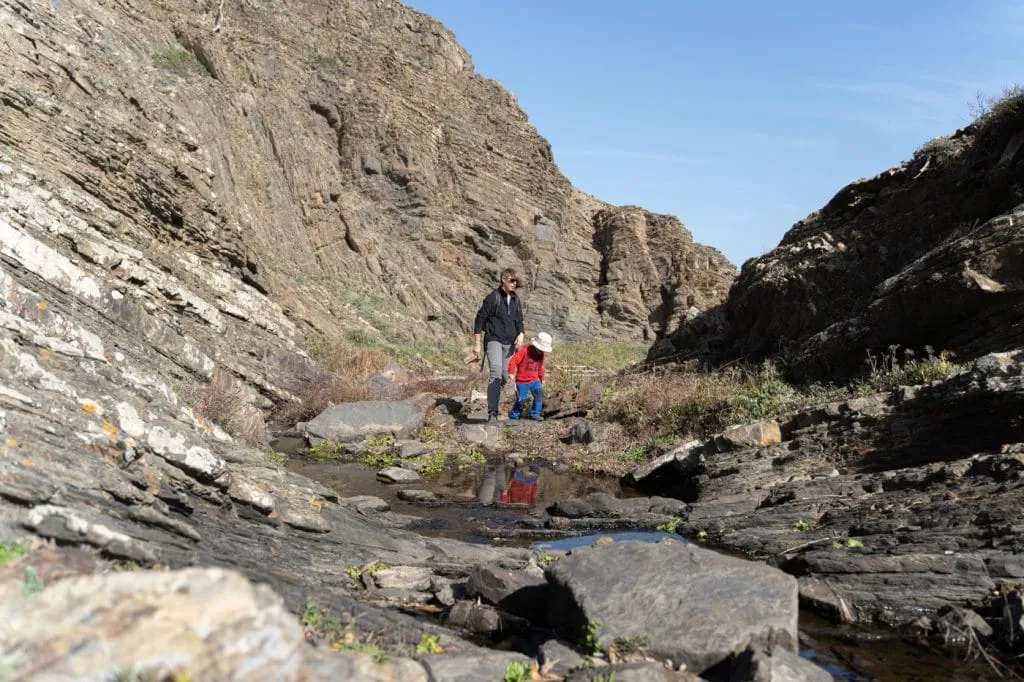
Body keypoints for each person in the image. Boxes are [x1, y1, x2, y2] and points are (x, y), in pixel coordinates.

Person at [471, 269, 525, 423]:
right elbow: (479, 320)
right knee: (495, 373)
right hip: (494, 340)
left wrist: (521, 334)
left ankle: (493, 399)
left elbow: (519, 320)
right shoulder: (492, 298)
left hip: (510, 344)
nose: (514, 284)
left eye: (516, 281)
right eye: (511, 280)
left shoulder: (516, 300)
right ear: (503, 279)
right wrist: (477, 344)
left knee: (504, 375)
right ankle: (492, 413)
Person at [507, 331, 552, 421]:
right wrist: (511, 372)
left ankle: (535, 414)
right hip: (522, 381)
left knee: (539, 393)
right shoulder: (525, 350)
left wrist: (542, 378)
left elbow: (540, 367)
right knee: (522, 400)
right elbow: (514, 361)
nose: (541, 351)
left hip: (534, 380)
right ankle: (514, 417)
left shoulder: (541, 354)